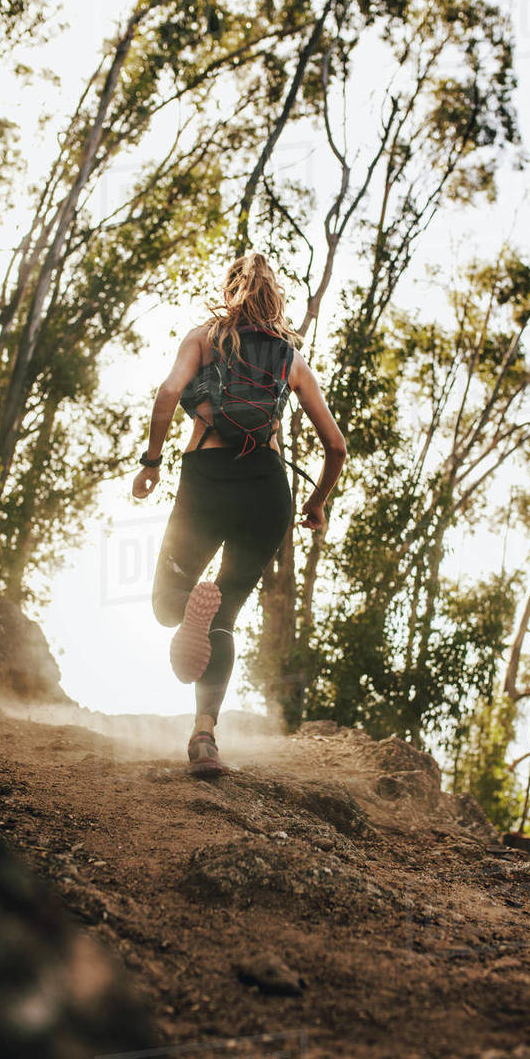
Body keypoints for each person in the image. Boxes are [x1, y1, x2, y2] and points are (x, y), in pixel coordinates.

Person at [132, 252, 346, 774]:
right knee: (224, 617)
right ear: (276, 299)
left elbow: (167, 393)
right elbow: (336, 446)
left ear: (231, 290)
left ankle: (188, 613)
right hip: (267, 494)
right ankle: (204, 736)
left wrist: (152, 462)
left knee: (167, 605)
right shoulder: (290, 358)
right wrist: (315, 505)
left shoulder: (204, 337)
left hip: (206, 485)